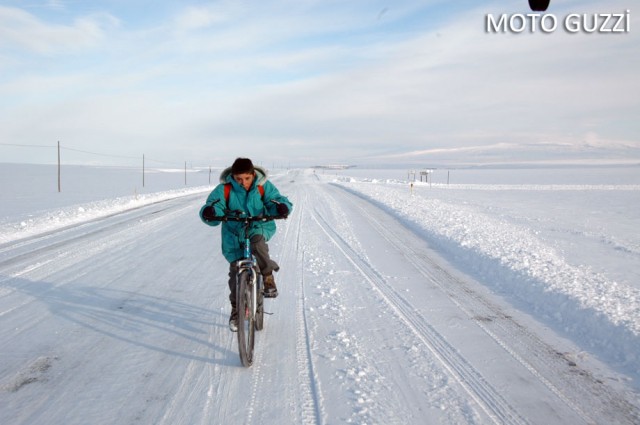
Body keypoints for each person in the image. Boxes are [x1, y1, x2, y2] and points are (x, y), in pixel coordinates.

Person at [199, 158, 293, 331]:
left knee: (257, 242)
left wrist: (281, 207)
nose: (243, 183)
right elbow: (214, 204)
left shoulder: (263, 186)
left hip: (259, 225)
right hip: (234, 233)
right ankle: (237, 310)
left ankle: (268, 276)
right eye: (238, 179)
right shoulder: (225, 189)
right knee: (235, 271)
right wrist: (210, 212)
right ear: (233, 176)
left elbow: (276, 200)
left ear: (253, 175)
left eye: (247, 178)